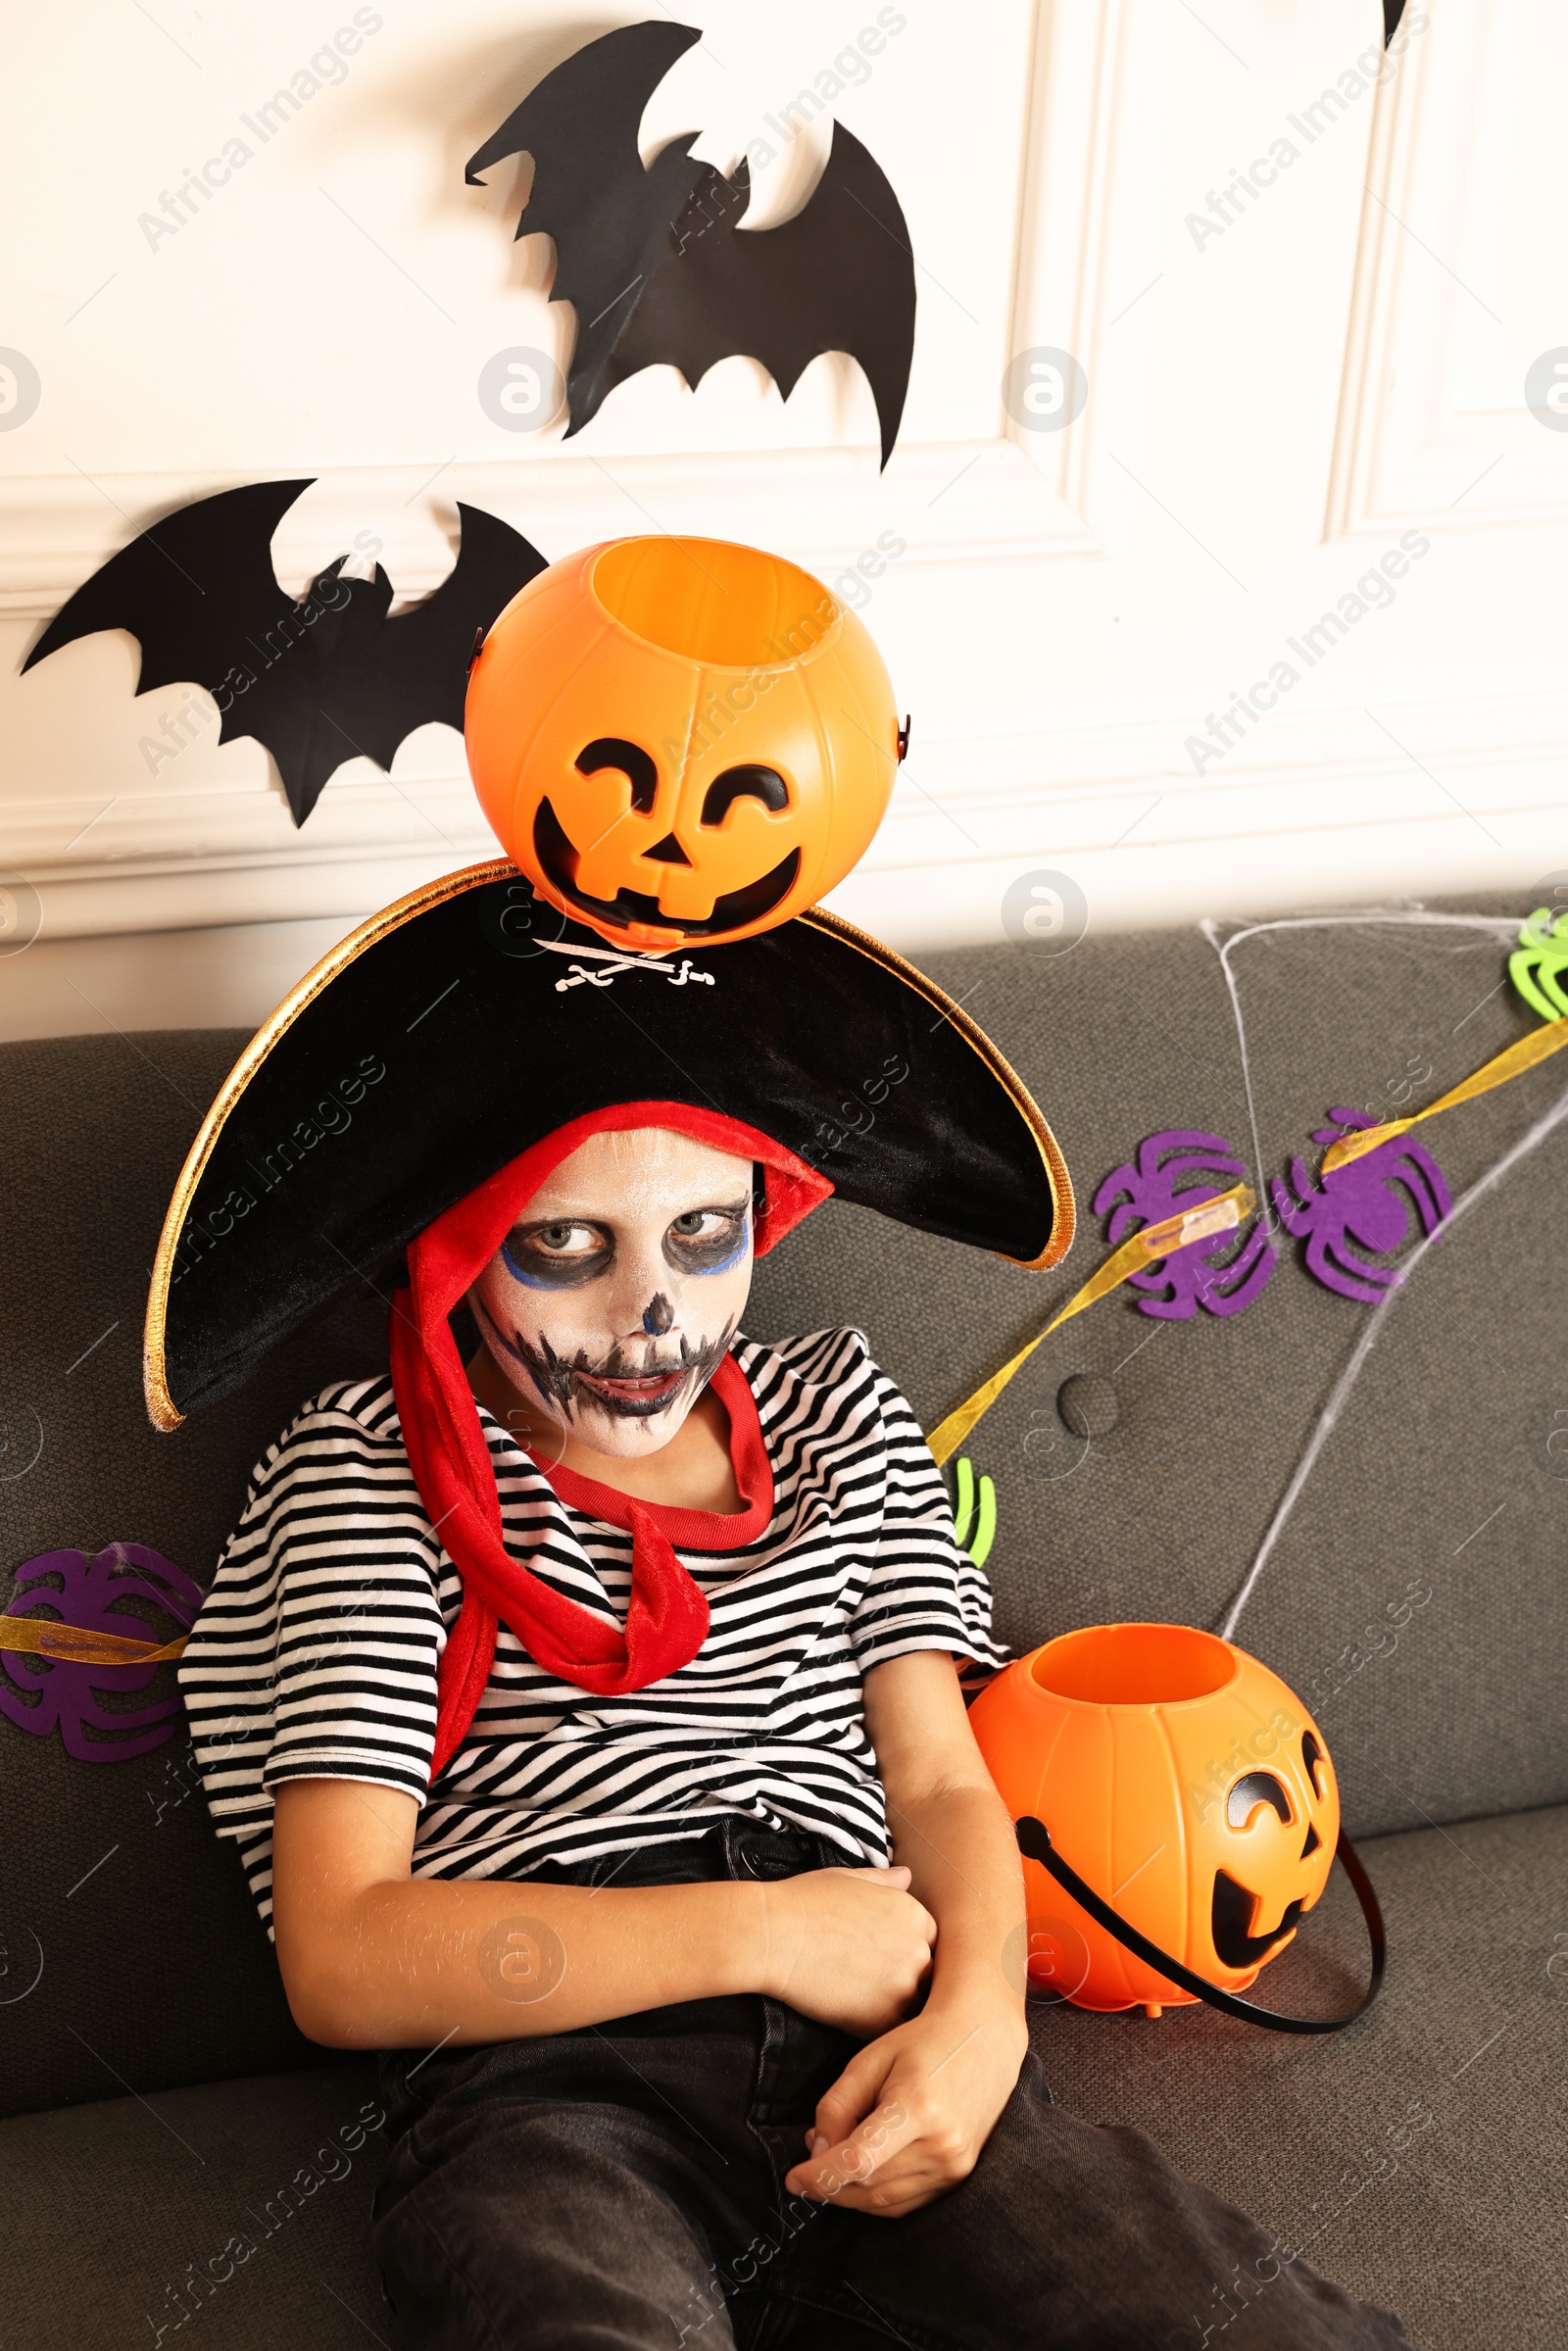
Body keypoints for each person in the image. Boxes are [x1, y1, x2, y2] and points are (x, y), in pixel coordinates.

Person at [158, 534, 1415, 2348]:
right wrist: (758, 1936)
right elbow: (346, 1954)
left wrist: (977, 2025)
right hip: (553, 2077)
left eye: (700, 1237)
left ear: (771, 1219)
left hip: (888, 2031)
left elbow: (949, 1787)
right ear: (453, 1255)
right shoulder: (369, 1468)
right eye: (565, 1248)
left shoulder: (830, 1412)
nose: (647, 1314)